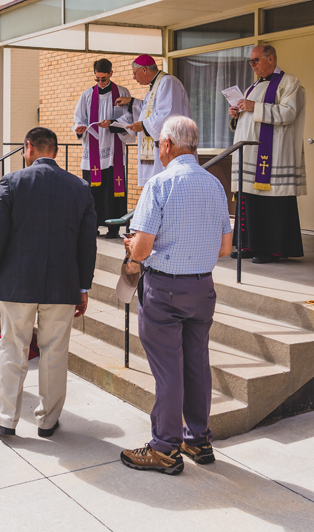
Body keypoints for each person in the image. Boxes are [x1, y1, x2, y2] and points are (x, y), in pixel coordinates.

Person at [120, 116, 232, 475]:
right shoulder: (215, 184)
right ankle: (197, 439)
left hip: (165, 288)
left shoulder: (160, 184)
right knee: (197, 363)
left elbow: (140, 249)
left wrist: (132, 245)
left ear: (167, 144)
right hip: (202, 286)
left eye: (157, 143)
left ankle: (165, 448)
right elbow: (226, 248)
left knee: (168, 370)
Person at [0, 127, 96, 438]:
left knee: (12, 348)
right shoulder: (79, 187)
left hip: (18, 281)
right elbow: (88, 243)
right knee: (55, 352)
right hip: (63, 285)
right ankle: (47, 421)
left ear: (28, 147)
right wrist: (83, 287)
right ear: (56, 152)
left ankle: (5, 420)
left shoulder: (13, 182)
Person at [229, 44, 306, 264]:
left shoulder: (289, 82)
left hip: (273, 155)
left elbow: (289, 113)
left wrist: (255, 107)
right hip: (250, 154)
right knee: (250, 200)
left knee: (271, 203)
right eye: (250, 62)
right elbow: (247, 119)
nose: (252, 65)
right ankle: (249, 245)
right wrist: (236, 113)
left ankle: (271, 249)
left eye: (256, 61)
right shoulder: (253, 86)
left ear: (270, 59)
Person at [73, 59, 134, 237]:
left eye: (104, 79)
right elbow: (79, 119)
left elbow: (129, 119)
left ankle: (113, 229)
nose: (100, 83)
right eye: (97, 79)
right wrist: (79, 129)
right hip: (93, 151)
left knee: (112, 192)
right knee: (93, 194)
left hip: (113, 150)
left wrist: (113, 123)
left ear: (111, 74)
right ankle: (93, 226)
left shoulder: (121, 93)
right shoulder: (86, 95)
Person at [116, 54, 191, 186]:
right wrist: (132, 102)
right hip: (157, 149)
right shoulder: (156, 85)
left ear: (144, 70)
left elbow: (167, 114)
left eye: (134, 73)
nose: (134, 77)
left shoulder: (168, 82)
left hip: (170, 147)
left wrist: (144, 126)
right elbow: (148, 110)